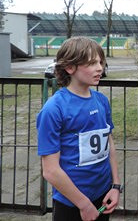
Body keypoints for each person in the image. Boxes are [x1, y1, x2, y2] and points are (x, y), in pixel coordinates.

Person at [36, 37, 121, 221]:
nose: (100, 68)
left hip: (103, 194)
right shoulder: (53, 109)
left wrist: (115, 186)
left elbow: (109, 144)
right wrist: (83, 204)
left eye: (100, 62)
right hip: (71, 202)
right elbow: (50, 170)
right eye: (91, 63)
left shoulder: (102, 101)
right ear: (69, 67)